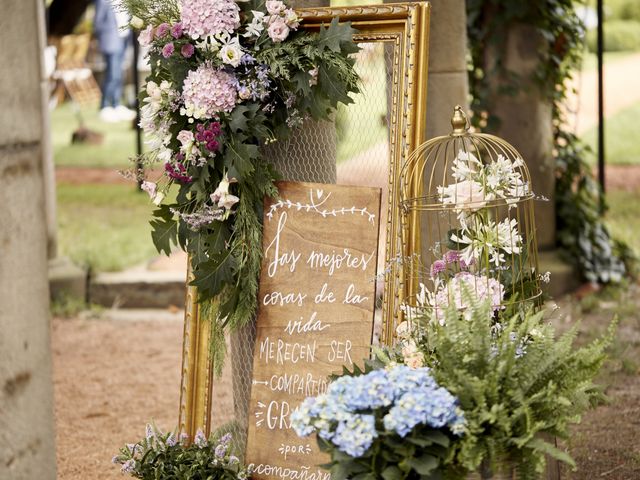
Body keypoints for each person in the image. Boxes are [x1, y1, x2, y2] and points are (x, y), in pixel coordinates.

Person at [93, 0, 136, 122]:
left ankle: (116, 104)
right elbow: (98, 22)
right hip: (110, 41)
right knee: (112, 74)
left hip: (123, 39)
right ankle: (105, 105)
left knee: (119, 74)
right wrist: (100, 41)